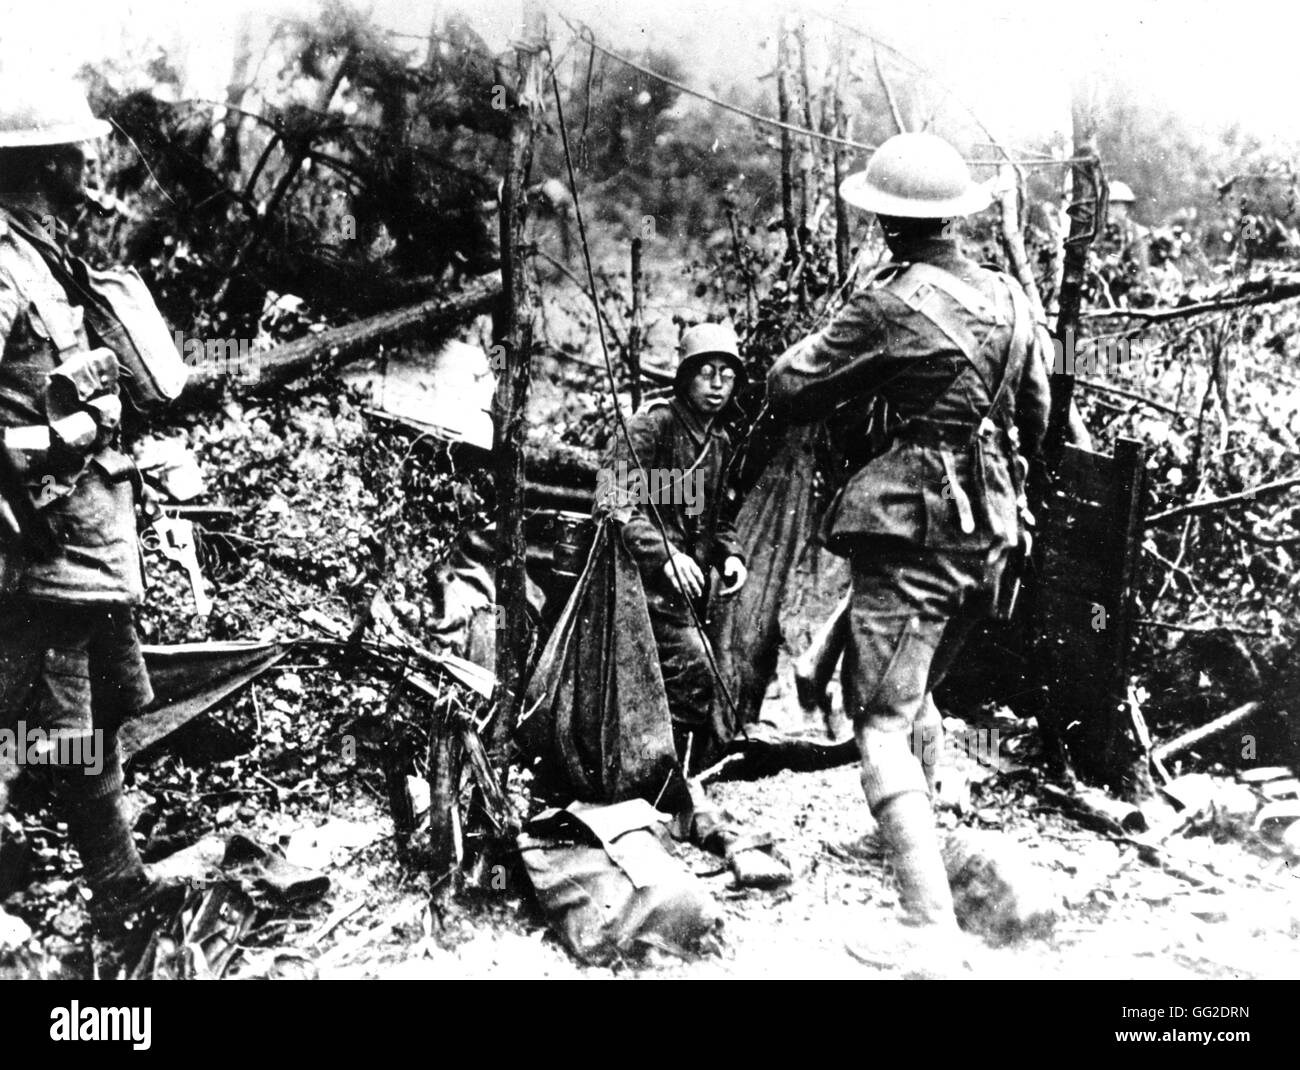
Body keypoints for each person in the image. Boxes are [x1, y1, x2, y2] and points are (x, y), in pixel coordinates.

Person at [768, 132, 1050, 972]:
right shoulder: (1011, 298)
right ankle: (934, 867)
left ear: (888, 223)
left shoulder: (888, 303)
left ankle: (928, 927)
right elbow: (1034, 415)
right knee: (918, 692)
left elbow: (789, 384)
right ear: (956, 219)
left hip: (917, 526)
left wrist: (864, 343)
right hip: (994, 530)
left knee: (883, 722)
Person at [0, 68, 180, 941]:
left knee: (85, 714)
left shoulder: (48, 255)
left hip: (82, 539)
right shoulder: (2, 264)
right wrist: (59, 440)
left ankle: (114, 881)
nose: (86, 160)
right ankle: (112, 884)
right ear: (39, 163)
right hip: (35, 543)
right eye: (72, 149)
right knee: (33, 714)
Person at [599, 323, 748, 773]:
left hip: (687, 593)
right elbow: (613, 502)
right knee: (693, 672)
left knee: (713, 680)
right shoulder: (653, 425)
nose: (718, 384)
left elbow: (715, 517)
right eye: (707, 372)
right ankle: (660, 779)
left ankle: (675, 774)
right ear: (685, 377)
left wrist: (731, 555)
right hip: (638, 589)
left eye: (727, 373)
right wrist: (665, 555)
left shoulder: (718, 442)